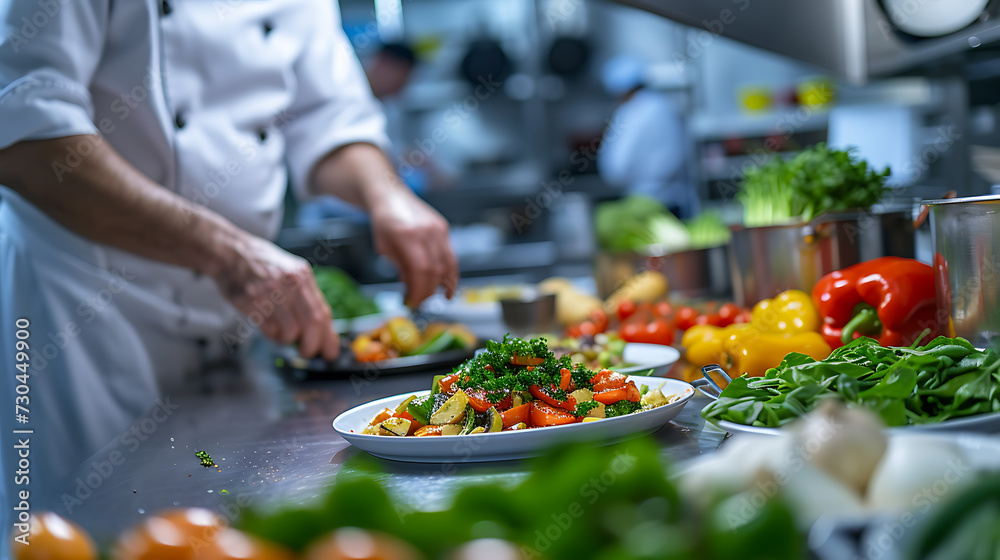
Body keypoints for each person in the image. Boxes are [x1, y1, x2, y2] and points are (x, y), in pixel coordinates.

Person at [0, 0, 457, 519]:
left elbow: (327, 117)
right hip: (85, 310)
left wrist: (386, 194)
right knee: (87, 526)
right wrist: (227, 251)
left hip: (230, 308)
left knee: (214, 518)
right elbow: (24, 136)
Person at [597, 55, 699, 218]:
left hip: (644, 205)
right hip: (676, 199)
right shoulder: (664, 105)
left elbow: (616, 167)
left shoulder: (631, 112)